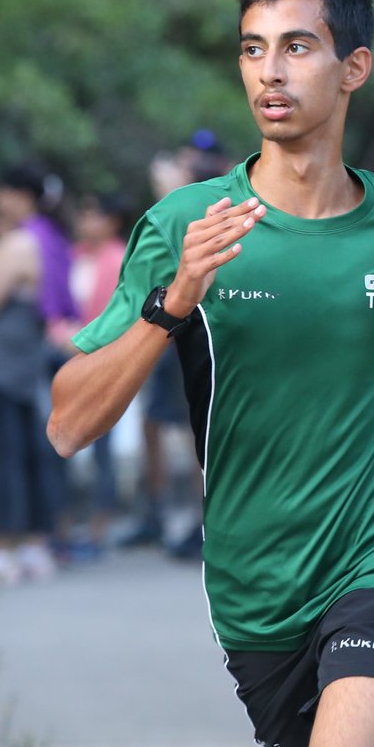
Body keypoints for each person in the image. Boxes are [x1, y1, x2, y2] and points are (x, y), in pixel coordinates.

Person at [49, 0, 374, 747]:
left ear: (353, 67)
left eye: (297, 47)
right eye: (252, 49)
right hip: (254, 577)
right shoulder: (186, 225)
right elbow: (67, 421)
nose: (270, 72)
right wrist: (174, 300)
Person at [0, 161, 78, 586]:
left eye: (2, 193)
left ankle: (5, 548)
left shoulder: (20, 244)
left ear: (19, 196)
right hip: (29, 366)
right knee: (27, 455)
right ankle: (35, 545)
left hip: (0, 366)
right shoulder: (53, 241)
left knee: (6, 459)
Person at [119, 130, 233, 560]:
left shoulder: (226, 197)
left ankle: (208, 523)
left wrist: (174, 191)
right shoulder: (177, 198)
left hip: (204, 330)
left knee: (197, 428)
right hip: (165, 324)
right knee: (153, 421)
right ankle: (155, 513)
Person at [52, 191, 134, 560]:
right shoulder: (74, 257)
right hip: (67, 358)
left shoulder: (121, 258)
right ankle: (66, 526)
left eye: (93, 213)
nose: (86, 221)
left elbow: (122, 313)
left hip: (103, 362)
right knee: (63, 443)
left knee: (103, 447)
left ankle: (98, 527)